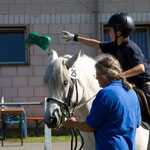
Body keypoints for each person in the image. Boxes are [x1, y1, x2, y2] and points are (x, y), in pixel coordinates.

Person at [62, 12, 150, 96]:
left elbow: (140, 68)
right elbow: (96, 44)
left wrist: (120, 75)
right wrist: (75, 38)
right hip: (131, 84)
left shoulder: (130, 47)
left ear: (118, 33)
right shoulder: (115, 45)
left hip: (144, 85)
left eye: (110, 30)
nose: (109, 32)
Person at [63, 55, 141, 150]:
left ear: (105, 75)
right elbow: (136, 123)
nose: (96, 78)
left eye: (97, 74)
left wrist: (73, 124)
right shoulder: (131, 92)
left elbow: (90, 126)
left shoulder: (105, 94)